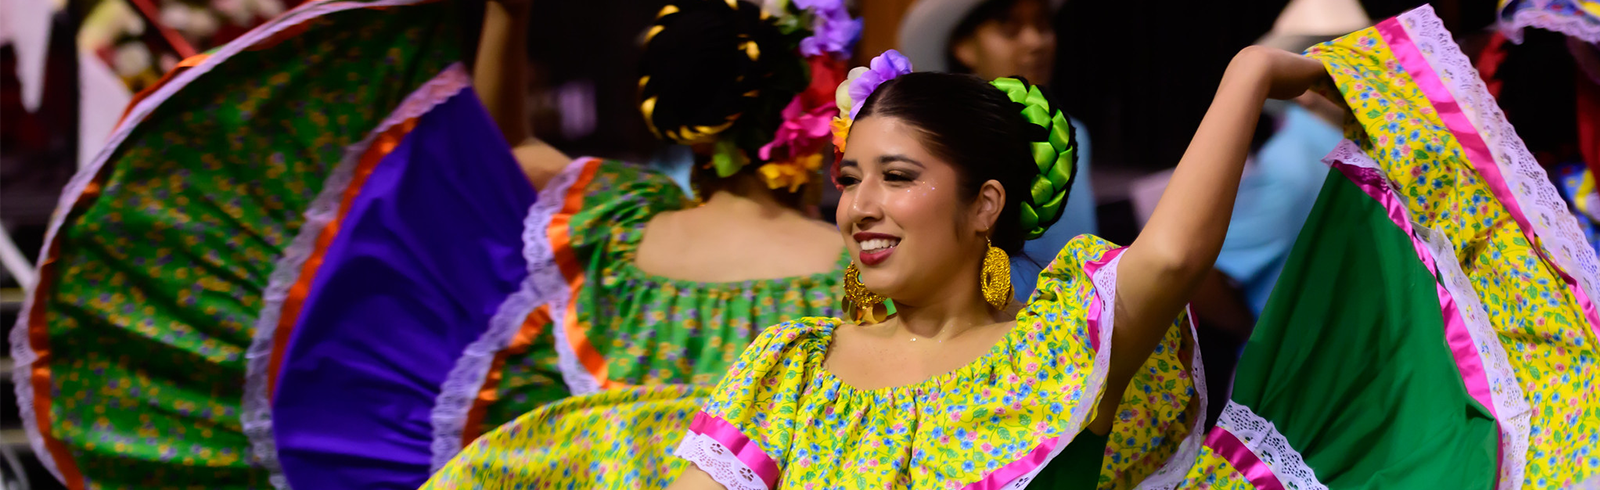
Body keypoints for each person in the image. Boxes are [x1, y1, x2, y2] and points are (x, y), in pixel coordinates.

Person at [660, 33, 1329, 485]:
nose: (859, 205)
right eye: (848, 179)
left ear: (984, 206)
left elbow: (1177, 252)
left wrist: (1252, 71)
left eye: (895, 176)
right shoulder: (788, 369)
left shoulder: (1059, 347)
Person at [896, 0, 1099, 302]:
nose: (1035, 42)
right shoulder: (937, 145)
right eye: (1009, 29)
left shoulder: (1074, 134)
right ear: (963, 45)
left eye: (1042, 25)